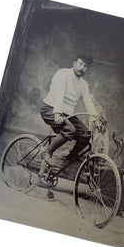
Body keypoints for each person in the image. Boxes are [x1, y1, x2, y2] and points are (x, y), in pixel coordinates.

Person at [39, 54, 100, 198]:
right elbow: (59, 94)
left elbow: (88, 102)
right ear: (74, 63)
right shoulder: (63, 74)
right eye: (80, 64)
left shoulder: (83, 84)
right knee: (70, 130)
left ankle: (71, 157)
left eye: (86, 66)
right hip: (50, 108)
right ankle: (47, 152)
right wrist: (58, 113)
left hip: (68, 115)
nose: (82, 68)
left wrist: (95, 118)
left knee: (86, 135)